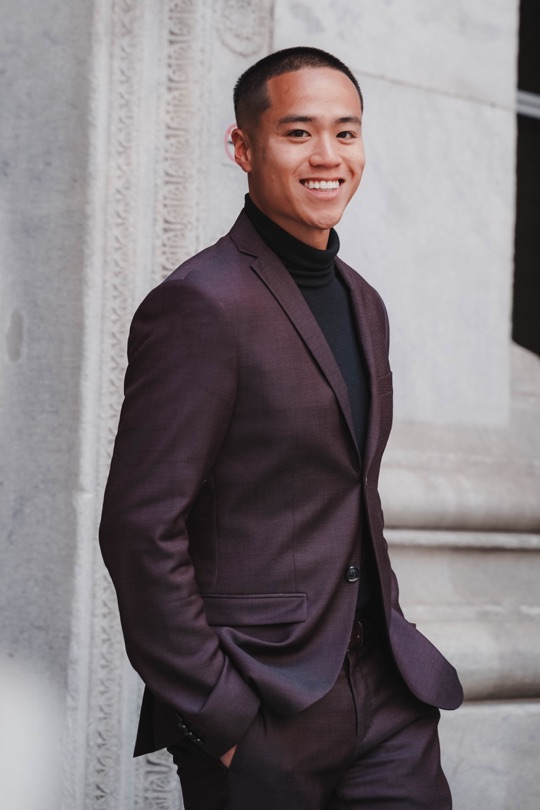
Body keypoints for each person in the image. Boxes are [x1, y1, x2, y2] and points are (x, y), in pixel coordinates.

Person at [99, 46, 463, 809]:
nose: (327, 156)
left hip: (387, 697)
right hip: (263, 702)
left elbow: (348, 490)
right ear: (243, 147)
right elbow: (140, 525)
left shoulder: (365, 303)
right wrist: (221, 713)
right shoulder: (201, 303)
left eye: (345, 132)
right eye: (298, 133)